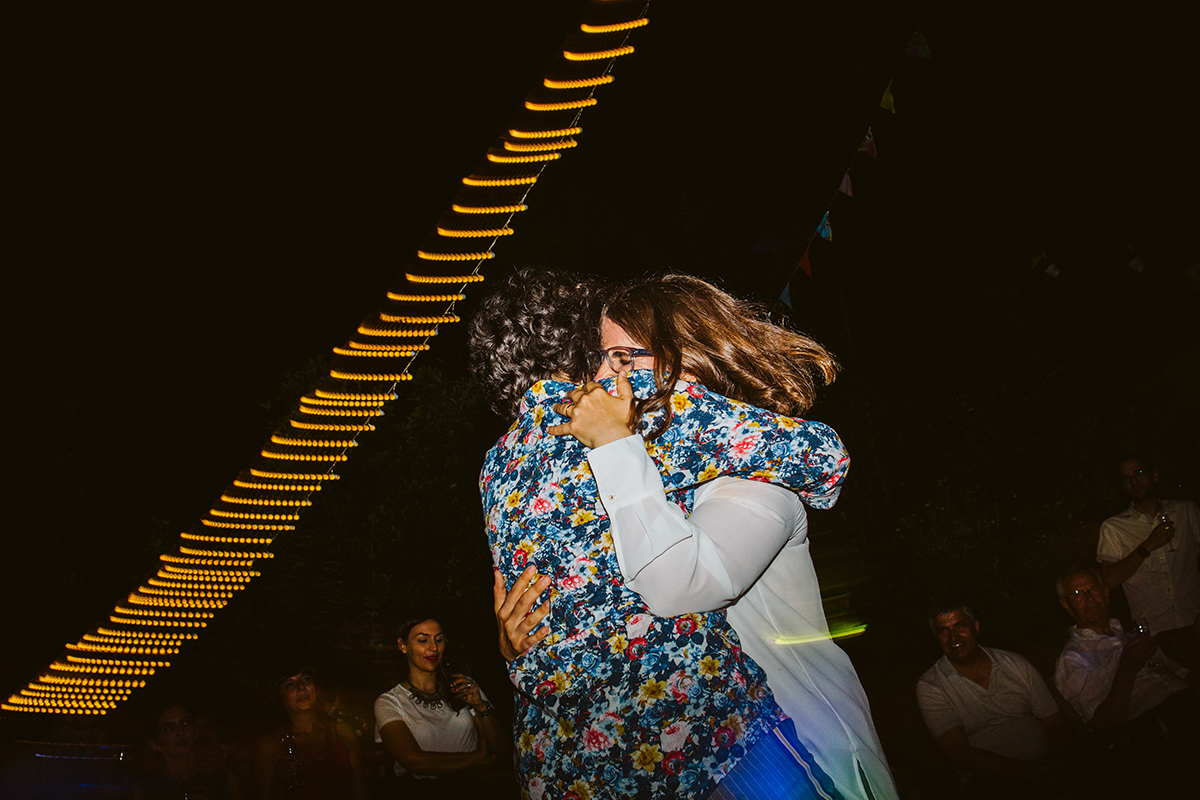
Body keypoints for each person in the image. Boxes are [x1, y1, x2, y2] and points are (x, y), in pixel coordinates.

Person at [473, 269, 862, 798]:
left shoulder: (495, 466)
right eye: (608, 355)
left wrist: (512, 648)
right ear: (583, 348)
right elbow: (823, 457)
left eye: (624, 356)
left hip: (561, 763)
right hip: (698, 740)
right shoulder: (632, 405)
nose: (613, 371)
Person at [916, 602, 1075, 796]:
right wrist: (1026, 772)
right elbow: (959, 754)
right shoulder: (932, 685)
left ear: (976, 627)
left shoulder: (1014, 664)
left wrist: (1061, 763)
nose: (953, 637)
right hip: (989, 780)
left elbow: (1055, 723)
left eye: (960, 625)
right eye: (943, 630)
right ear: (936, 637)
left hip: (1044, 765)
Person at [373, 616, 508, 787]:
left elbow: (501, 748)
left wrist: (480, 705)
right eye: (423, 640)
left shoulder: (462, 686)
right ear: (403, 645)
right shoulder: (390, 702)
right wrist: (478, 757)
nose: (434, 648)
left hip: (474, 788)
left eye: (439, 640)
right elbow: (413, 761)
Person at [1096, 454, 1200, 671]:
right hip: (1155, 634)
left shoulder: (1186, 511)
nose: (1134, 481)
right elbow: (1110, 580)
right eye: (1126, 478)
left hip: (1194, 621)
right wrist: (1147, 546)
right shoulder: (1114, 527)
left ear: (1155, 476)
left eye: (1139, 473)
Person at [1053, 566, 1190, 730]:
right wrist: (1127, 669)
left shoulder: (1129, 636)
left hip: (1186, 699)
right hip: (1151, 725)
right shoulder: (1072, 659)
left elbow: (1180, 671)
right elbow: (1101, 726)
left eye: (1093, 589)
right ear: (1067, 605)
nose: (1089, 598)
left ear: (1105, 594)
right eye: (1077, 594)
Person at [253, 664, 365, 800]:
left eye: (306, 679)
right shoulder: (270, 746)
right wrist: (282, 782)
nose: (301, 687)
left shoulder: (344, 733)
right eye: (290, 684)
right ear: (281, 697)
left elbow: (361, 791)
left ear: (317, 689)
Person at [140, 703, 242, 799]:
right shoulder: (147, 790)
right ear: (155, 744)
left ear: (196, 732)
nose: (181, 732)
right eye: (169, 728)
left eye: (186, 723)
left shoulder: (224, 781)